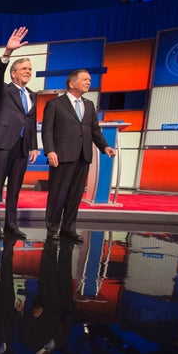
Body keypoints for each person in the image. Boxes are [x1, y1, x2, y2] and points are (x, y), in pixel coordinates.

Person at [42, 69, 116, 242]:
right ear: (71, 83)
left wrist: (105, 146)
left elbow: (94, 130)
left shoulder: (89, 105)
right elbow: (47, 131)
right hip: (61, 156)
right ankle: (52, 228)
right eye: (85, 79)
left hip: (83, 156)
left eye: (89, 80)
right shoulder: (55, 104)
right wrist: (50, 150)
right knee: (58, 194)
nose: (88, 82)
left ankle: (68, 228)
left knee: (75, 195)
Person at [0, 27, 40, 240]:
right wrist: (7, 53)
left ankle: (11, 225)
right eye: (24, 68)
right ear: (14, 73)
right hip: (3, 144)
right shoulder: (4, 89)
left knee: (15, 187)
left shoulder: (32, 95)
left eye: (30, 69)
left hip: (22, 147)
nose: (28, 71)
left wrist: (34, 145)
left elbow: (31, 120)